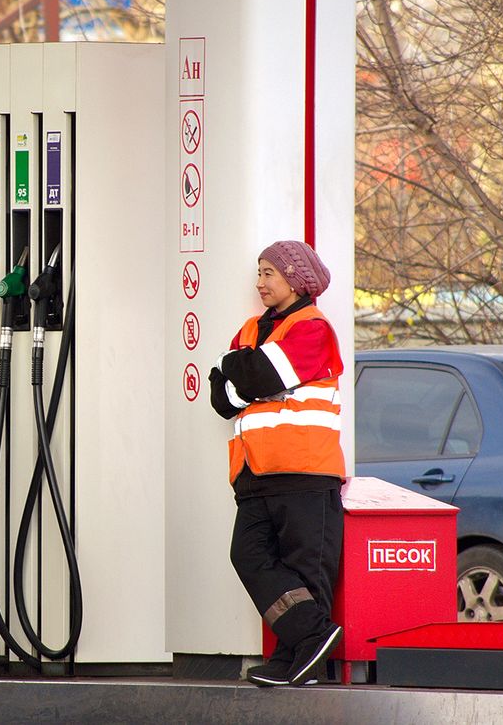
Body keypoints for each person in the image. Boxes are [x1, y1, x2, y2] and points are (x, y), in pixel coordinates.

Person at [207, 240, 345, 687]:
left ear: (296, 278)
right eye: (259, 272)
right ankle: (311, 637)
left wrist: (241, 370)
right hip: (254, 472)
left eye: (270, 272)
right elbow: (222, 397)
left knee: (307, 569)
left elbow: (251, 377)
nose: (260, 282)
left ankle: (297, 660)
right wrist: (245, 373)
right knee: (247, 555)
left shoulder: (313, 328)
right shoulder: (250, 331)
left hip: (305, 470)